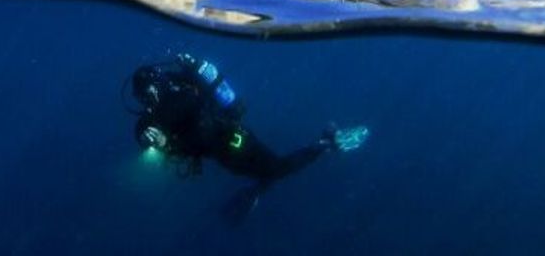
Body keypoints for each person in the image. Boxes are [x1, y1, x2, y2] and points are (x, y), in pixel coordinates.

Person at [128, 53, 369, 223]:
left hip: (231, 144)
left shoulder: (177, 99)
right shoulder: (174, 97)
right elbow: (146, 131)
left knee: (276, 169)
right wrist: (155, 140)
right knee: (270, 170)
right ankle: (262, 186)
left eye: (147, 94)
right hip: (229, 143)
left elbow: (194, 136)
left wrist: (165, 143)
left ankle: (326, 144)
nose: (148, 100)